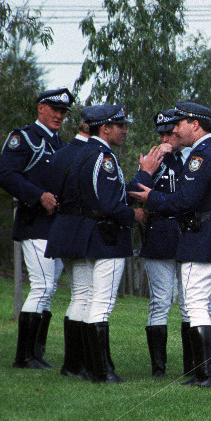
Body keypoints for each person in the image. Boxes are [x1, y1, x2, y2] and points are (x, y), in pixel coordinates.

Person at [129, 102, 211, 389]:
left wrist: (151, 199)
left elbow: (185, 201)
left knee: (195, 305)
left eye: (180, 124)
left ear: (195, 124)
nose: (175, 130)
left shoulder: (201, 156)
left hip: (200, 237)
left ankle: (205, 376)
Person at [47, 104, 142, 383]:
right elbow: (107, 203)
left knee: (82, 297)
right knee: (100, 302)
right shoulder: (103, 157)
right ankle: (102, 371)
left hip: (76, 232)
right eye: (120, 126)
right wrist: (133, 214)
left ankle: (76, 365)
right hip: (104, 237)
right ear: (105, 128)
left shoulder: (77, 154)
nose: (125, 131)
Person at [0, 87, 73, 370]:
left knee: (49, 289)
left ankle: (37, 353)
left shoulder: (60, 144)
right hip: (35, 223)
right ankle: (24, 356)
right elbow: (4, 175)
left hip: (56, 226)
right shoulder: (25, 137)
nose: (59, 115)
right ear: (40, 108)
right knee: (41, 286)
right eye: (54, 109)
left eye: (63, 111)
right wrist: (38, 195)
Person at [131, 110, 191, 378]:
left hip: (189, 235)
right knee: (161, 300)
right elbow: (134, 191)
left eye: (170, 132)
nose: (166, 138)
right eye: (162, 134)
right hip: (159, 236)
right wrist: (146, 170)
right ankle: (158, 369)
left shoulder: (193, 157)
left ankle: (194, 365)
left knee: (190, 302)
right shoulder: (153, 160)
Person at [45, 118, 90, 378]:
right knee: (85, 295)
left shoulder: (61, 154)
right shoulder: (90, 155)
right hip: (82, 230)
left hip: (64, 229)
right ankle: (76, 364)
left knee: (78, 295)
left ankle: (73, 363)